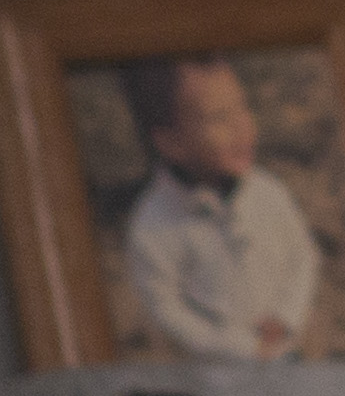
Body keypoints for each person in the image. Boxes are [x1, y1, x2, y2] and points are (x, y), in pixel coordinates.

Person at [116, 52, 329, 363]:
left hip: (286, 351)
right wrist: (238, 346)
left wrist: (286, 319)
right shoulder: (154, 223)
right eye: (218, 118)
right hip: (218, 368)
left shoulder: (268, 191)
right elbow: (167, 310)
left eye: (242, 107)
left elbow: (302, 255)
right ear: (171, 142)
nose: (241, 127)